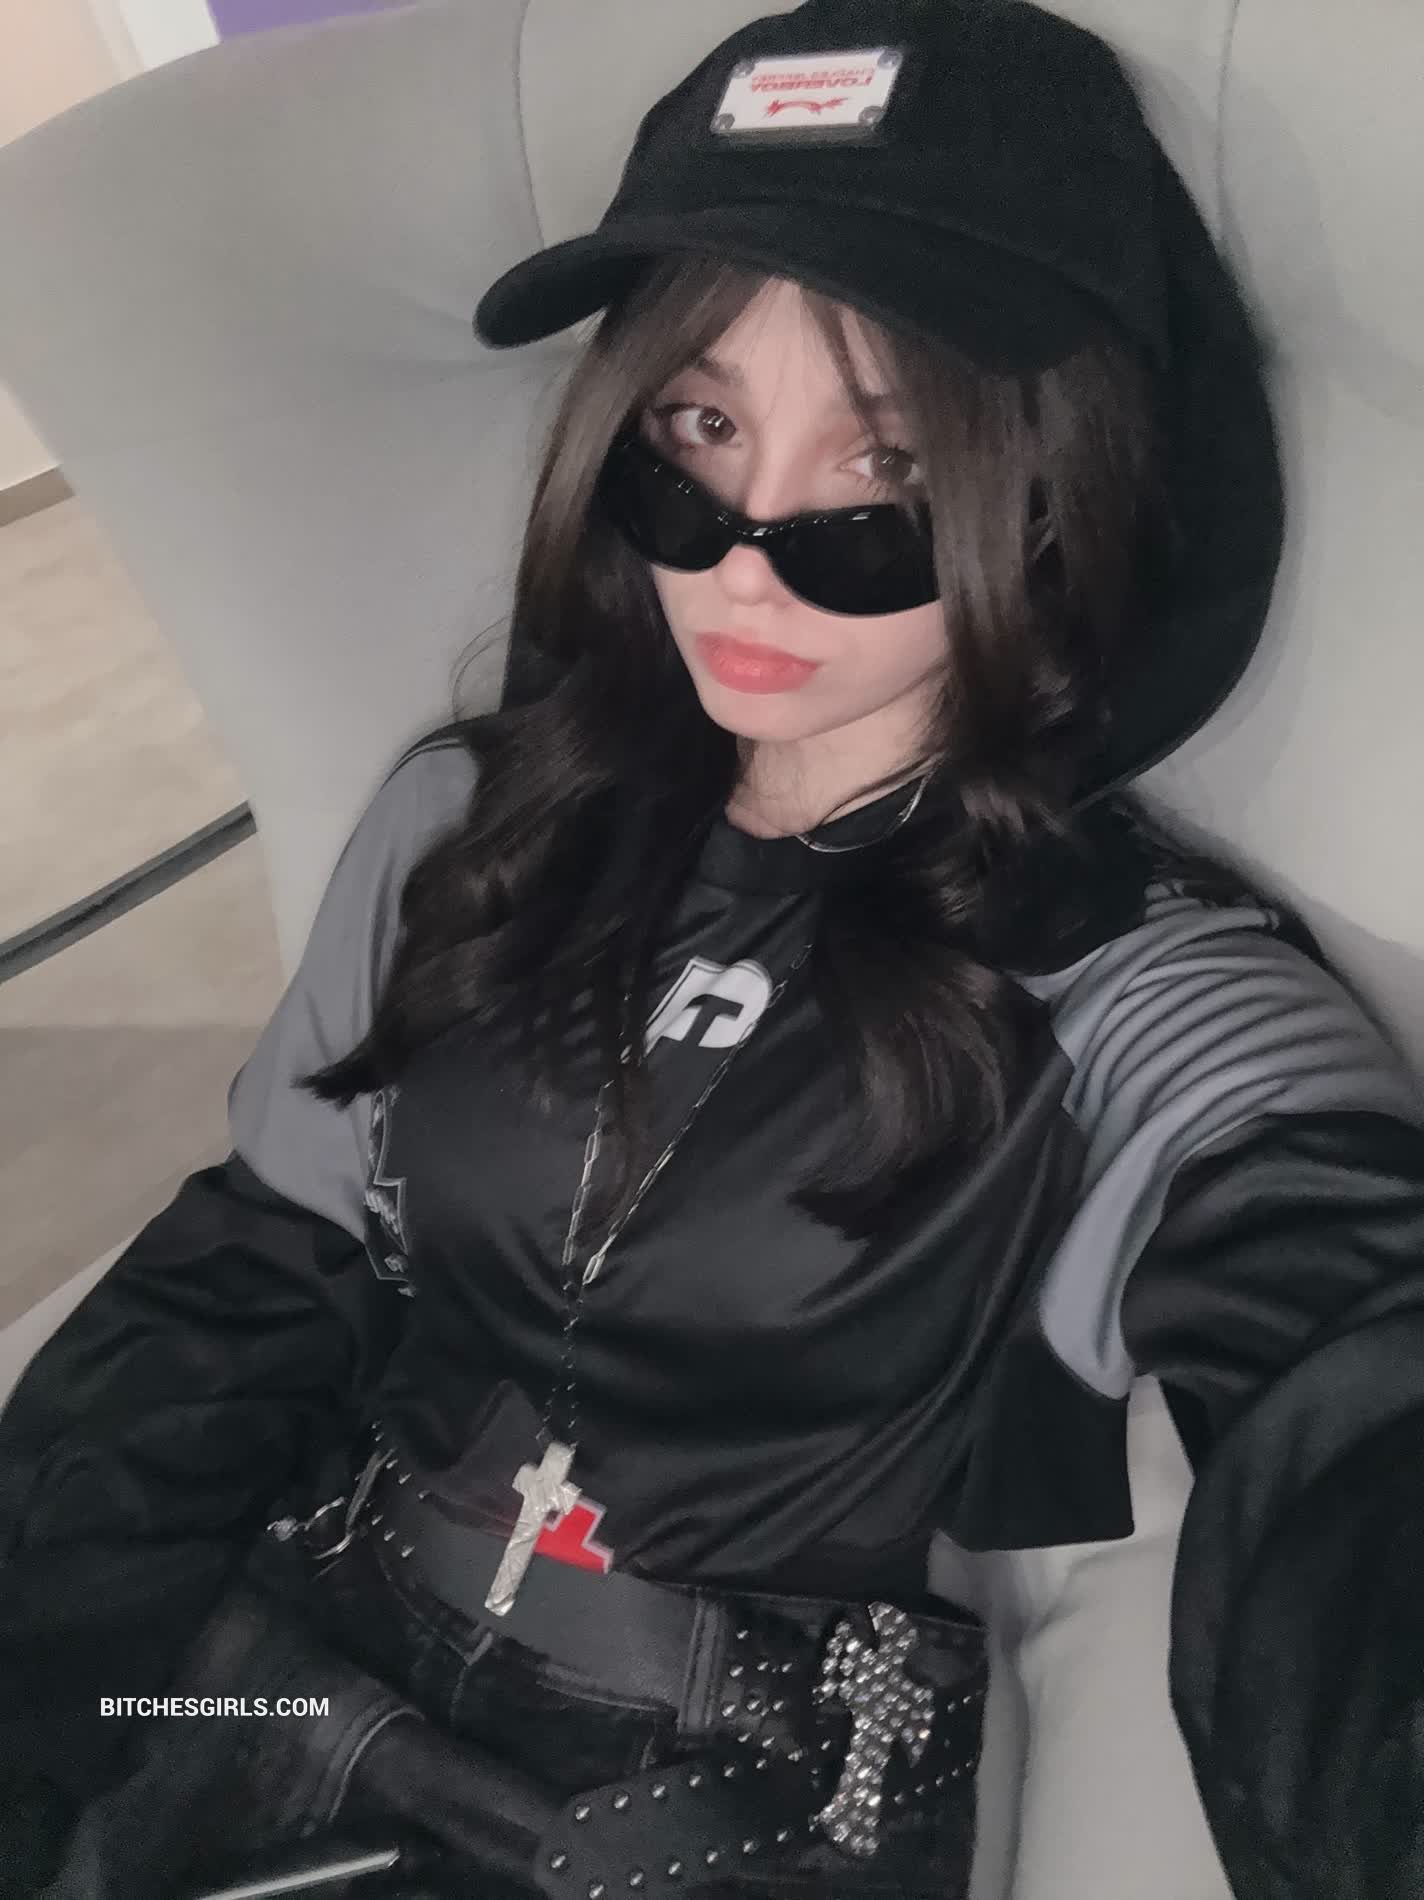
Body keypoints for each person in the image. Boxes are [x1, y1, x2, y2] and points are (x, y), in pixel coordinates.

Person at [3, 1, 1424, 1896]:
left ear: (1056, 495)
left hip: (713, 1811)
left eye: (883, 475)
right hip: (266, 1681)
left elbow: (1351, 1406)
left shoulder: (1136, 987)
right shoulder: (468, 825)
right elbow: (248, 1281)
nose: (747, 551)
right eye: (700, 428)